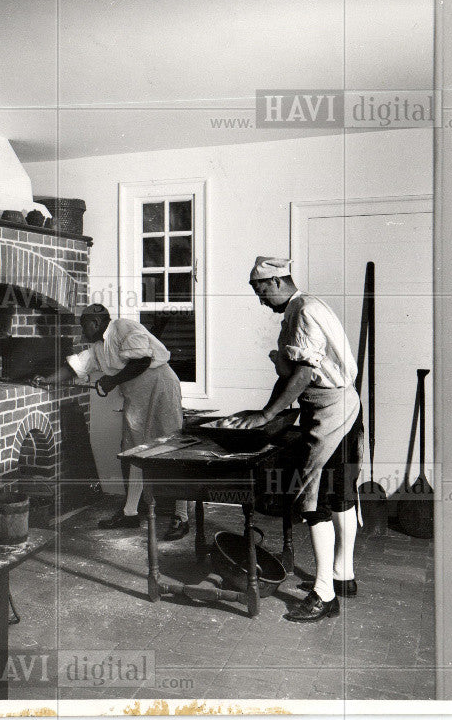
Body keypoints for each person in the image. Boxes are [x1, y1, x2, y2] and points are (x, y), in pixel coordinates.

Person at [224, 256, 363, 622]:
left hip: (331, 412)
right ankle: (342, 575)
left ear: (277, 282)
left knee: (312, 500)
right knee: (340, 496)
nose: (259, 299)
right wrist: (268, 406)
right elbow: (293, 378)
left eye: (260, 290)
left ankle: (324, 595)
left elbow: (303, 373)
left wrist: (268, 415)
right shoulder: (307, 306)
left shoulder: (302, 311)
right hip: (343, 406)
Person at [36, 304, 191, 539]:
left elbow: (142, 361)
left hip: (161, 388)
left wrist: (111, 381)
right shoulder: (97, 348)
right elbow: (73, 366)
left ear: (96, 323)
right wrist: (45, 380)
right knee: (132, 453)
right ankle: (130, 513)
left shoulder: (124, 327)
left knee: (170, 449)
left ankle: (181, 516)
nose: (81, 330)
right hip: (136, 395)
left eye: (83, 325)